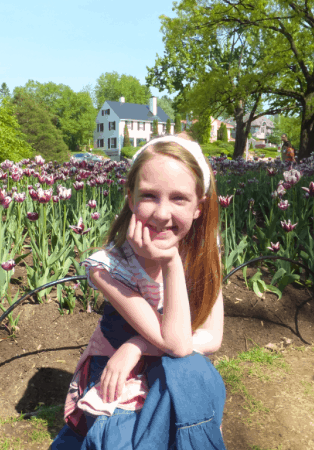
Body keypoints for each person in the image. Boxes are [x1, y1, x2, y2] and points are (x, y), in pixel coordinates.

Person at [51, 134, 226, 450]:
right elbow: (177, 344)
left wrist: (137, 344)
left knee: (191, 376)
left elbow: (212, 338)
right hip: (116, 371)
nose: (162, 213)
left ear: (199, 207)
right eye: (149, 196)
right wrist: (171, 262)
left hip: (160, 363)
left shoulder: (201, 254)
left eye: (179, 198)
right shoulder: (107, 267)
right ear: (130, 199)